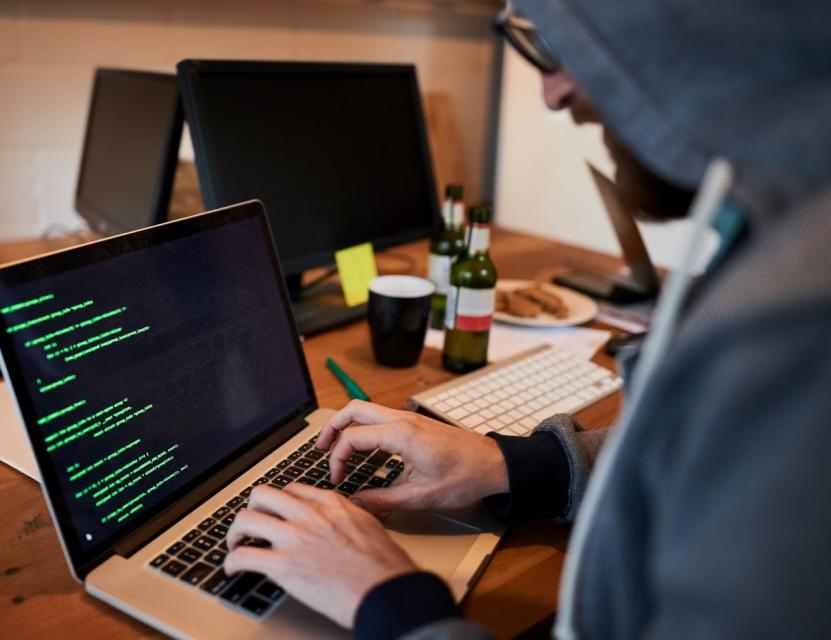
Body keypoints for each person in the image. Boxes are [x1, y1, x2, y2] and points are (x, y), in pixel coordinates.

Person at [224, 0, 831, 637]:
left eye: (574, 44)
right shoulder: (785, 248)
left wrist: (391, 601)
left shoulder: (790, 338)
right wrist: (512, 464)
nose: (552, 91)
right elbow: (687, 470)